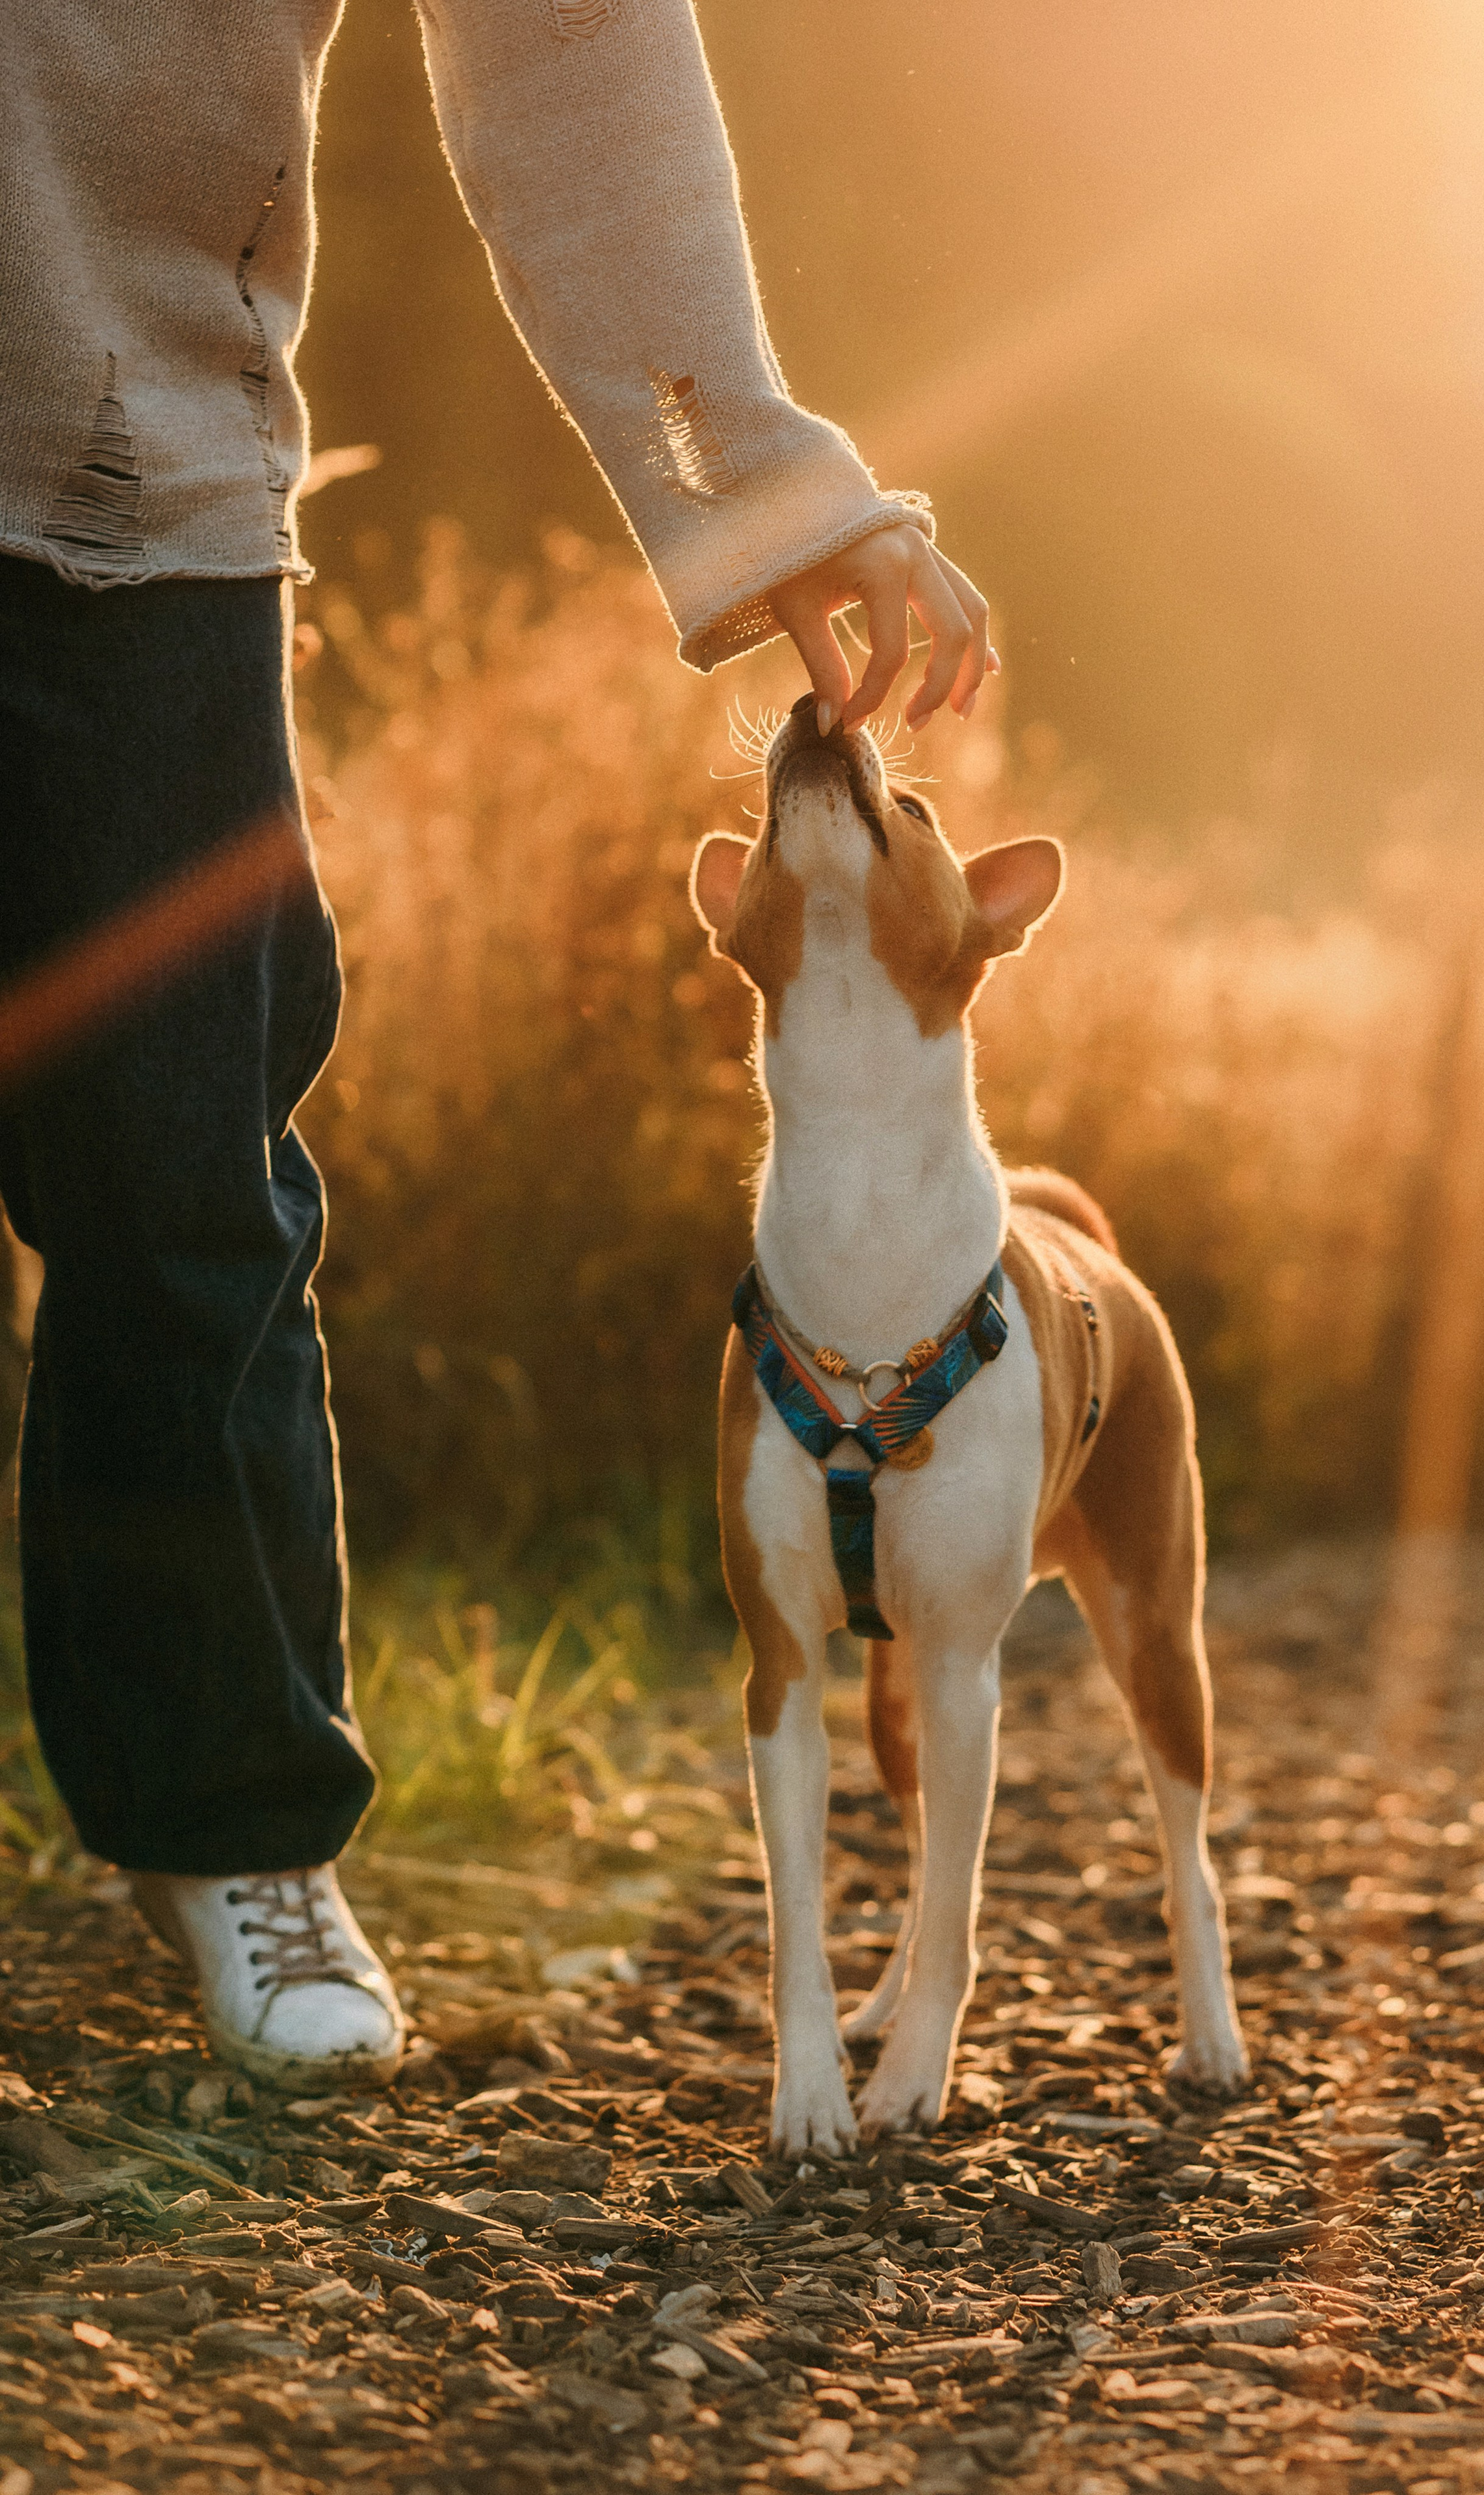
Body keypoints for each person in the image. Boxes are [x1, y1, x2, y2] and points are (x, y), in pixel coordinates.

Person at [0, 0, 994, 2087]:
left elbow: (563, 40)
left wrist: (749, 465)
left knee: (178, 1184)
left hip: (122, 467)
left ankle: (232, 1827)